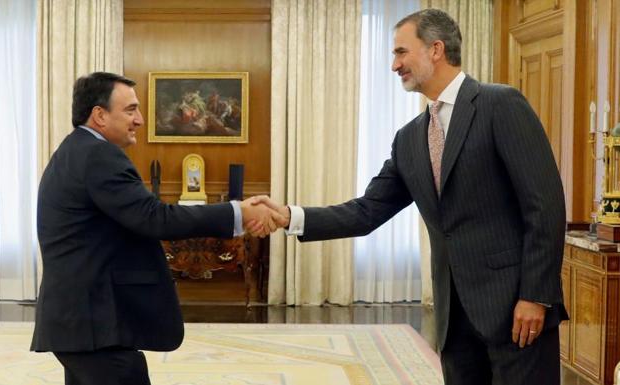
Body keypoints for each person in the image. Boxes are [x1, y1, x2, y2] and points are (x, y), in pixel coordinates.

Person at [253, 9, 568, 385]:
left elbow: (544, 207)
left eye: (401, 52)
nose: (394, 65)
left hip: (516, 310)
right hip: (454, 320)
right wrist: (290, 216)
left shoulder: (500, 105)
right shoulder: (410, 138)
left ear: (436, 49)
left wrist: (536, 296)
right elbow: (367, 211)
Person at [31, 72, 282, 385]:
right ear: (99, 115)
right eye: (130, 109)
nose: (139, 119)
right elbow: (155, 218)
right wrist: (238, 212)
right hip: (91, 322)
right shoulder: (98, 155)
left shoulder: (77, 150)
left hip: (81, 321)